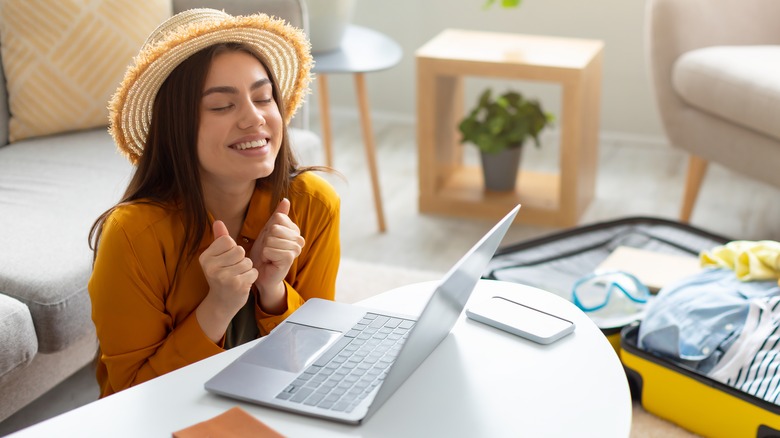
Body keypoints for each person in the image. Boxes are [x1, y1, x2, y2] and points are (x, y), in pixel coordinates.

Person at [88, 8, 340, 398]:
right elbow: (130, 399)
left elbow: (319, 361)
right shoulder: (132, 235)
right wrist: (218, 306)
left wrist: (274, 293)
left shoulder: (313, 204)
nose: (254, 118)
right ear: (177, 128)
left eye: (263, 97)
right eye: (223, 106)